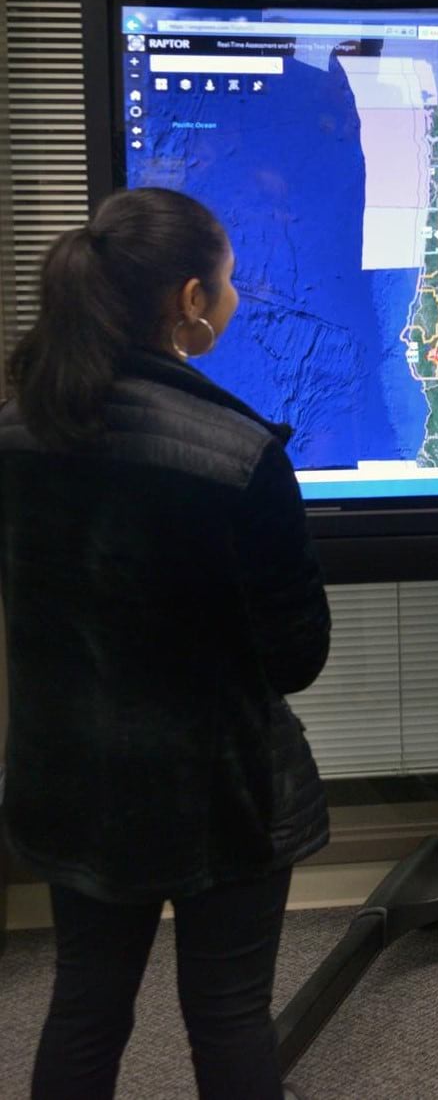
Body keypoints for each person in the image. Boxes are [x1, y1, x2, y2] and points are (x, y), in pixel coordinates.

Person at [0, 187, 332, 1099]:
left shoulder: (17, 431)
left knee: (84, 1010)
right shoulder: (239, 454)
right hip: (217, 794)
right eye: (227, 283)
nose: (234, 298)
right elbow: (298, 655)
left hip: (70, 783)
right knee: (226, 1018)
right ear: (190, 301)